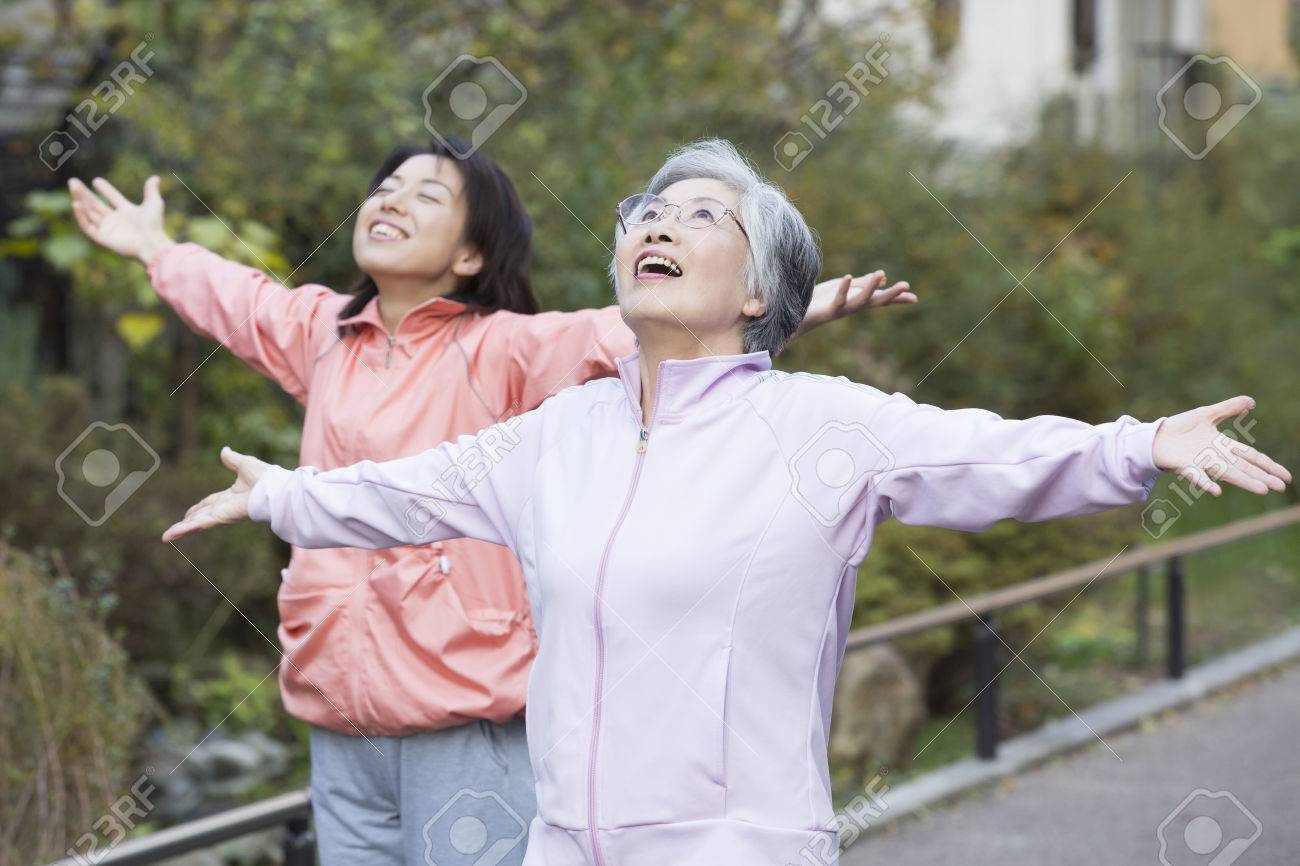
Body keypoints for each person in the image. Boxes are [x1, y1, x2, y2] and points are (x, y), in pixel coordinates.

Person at [162, 138, 1291, 865]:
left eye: (702, 215)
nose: (656, 223)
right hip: (563, 846)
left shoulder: (818, 425)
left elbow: (989, 456)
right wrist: (283, 497)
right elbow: (410, 491)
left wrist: (1141, 445)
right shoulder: (562, 431)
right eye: (647, 211)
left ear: (758, 291)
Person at [68, 138, 914, 865]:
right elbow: (237, 297)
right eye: (385, 188)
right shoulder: (321, 334)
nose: (390, 201)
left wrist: (787, 308)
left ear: (471, 254)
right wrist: (154, 248)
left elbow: (627, 326)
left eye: (426, 195)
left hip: (465, 719)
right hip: (337, 717)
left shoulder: (502, 349)